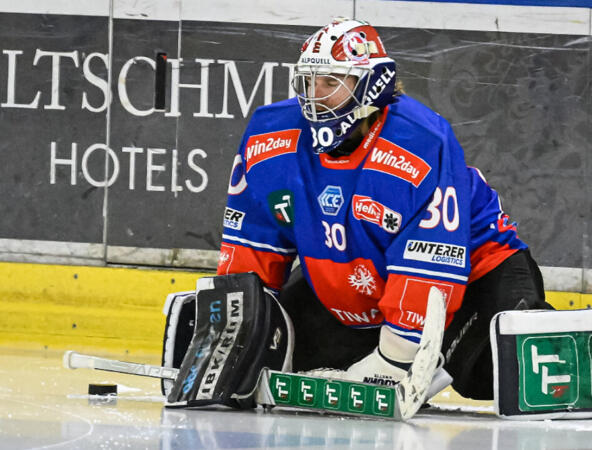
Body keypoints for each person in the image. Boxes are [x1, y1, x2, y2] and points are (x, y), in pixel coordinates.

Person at [217, 17, 552, 400]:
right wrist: (236, 322)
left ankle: (561, 334)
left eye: (331, 82)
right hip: (361, 291)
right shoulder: (271, 136)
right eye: (309, 81)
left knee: (494, 375)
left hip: (478, 273)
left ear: (370, 85)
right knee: (284, 353)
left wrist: (395, 359)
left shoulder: (418, 141)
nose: (315, 94)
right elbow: (252, 238)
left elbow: (432, 259)